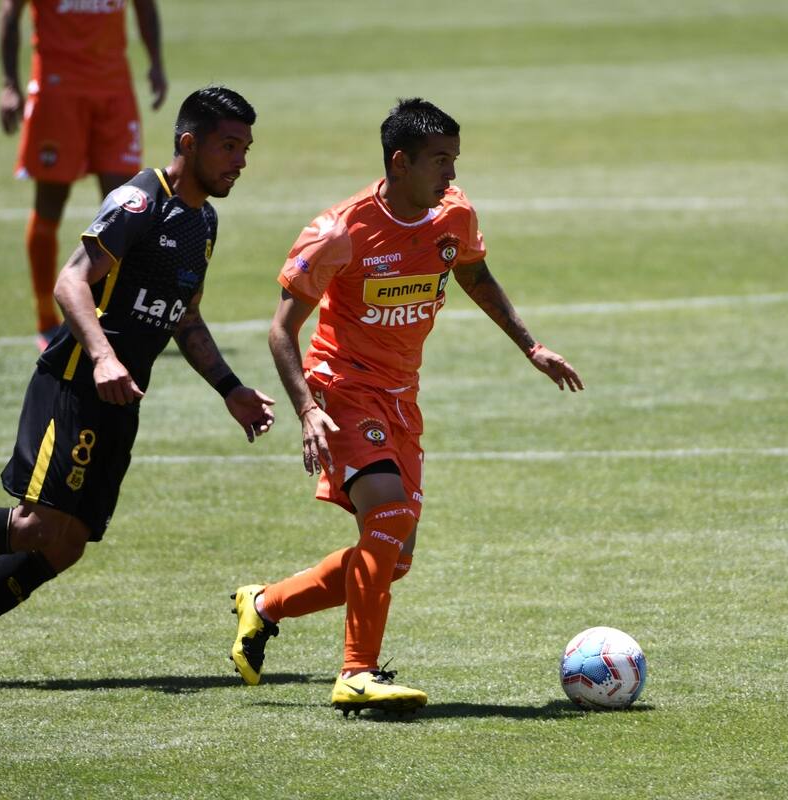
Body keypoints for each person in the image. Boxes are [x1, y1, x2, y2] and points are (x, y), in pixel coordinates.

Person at [0, 87, 274, 687]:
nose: (241, 161)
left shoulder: (203, 222)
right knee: (37, 526)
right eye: (229, 146)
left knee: (65, 544)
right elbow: (71, 283)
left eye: (246, 148)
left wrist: (230, 388)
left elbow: (186, 316)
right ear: (189, 143)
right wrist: (102, 357)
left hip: (122, 395)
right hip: (76, 379)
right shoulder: (140, 200)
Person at [230, 98, 584, 716]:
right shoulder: (339, 232)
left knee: (393, 558)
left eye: (455, 159)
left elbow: (475, 275)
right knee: (388, 515)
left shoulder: (454, 215)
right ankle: (357, 673)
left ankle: (264, 605)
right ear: (401, 162)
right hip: (342, 386)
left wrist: (532, 346)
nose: (452, 173)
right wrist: (308, 410)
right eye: (440, 160)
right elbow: (281, 331)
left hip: (400, 396)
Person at [0, 0, 168, 351]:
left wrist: (156, 63)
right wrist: (9, 83)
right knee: (50, 203)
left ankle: (117, 316)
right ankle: (46, 320)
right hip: (57, 90)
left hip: (114, 90)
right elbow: (9, 14)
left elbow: (145, 7)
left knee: (129, 207)